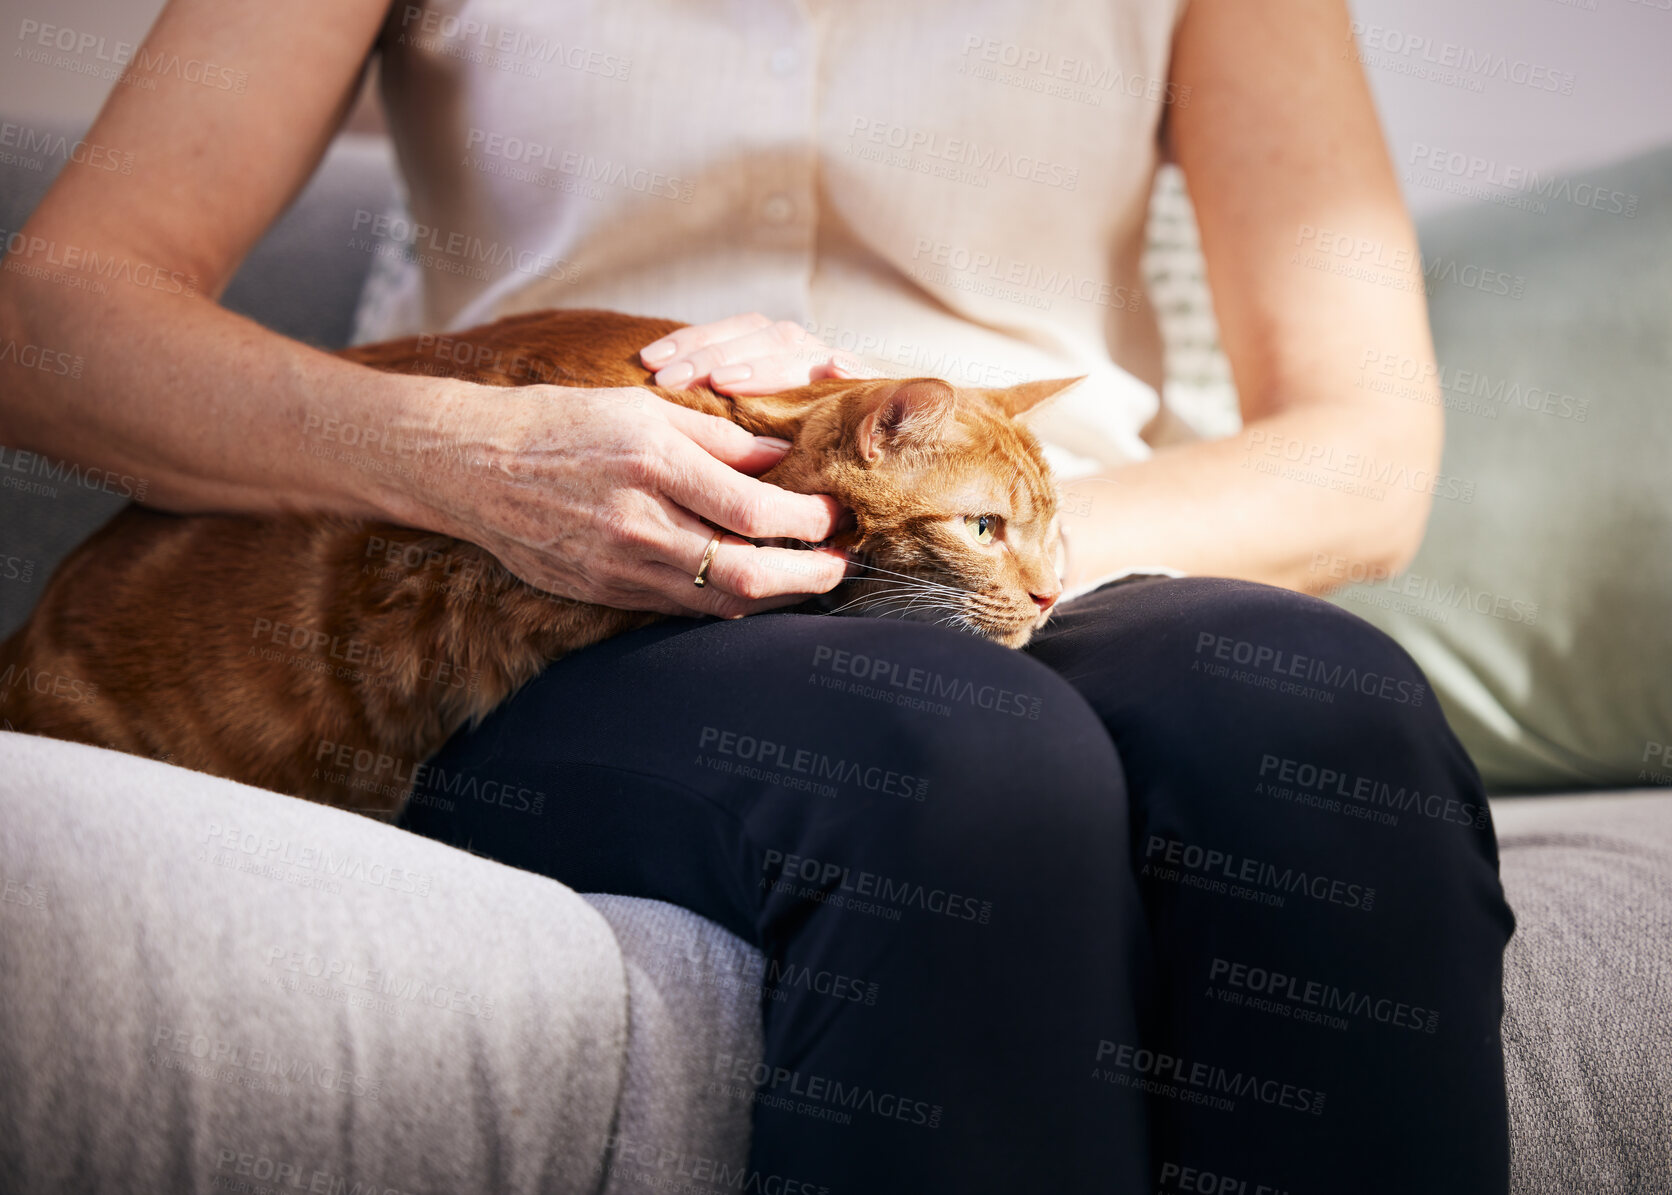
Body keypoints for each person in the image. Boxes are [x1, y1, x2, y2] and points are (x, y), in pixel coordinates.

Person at [0, 0, 1513, 1191]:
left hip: (1060, 536)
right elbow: (51, 325)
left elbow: (1364, 454)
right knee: (959, 752)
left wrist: (943, 535)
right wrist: (476, 458)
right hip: (554, 588)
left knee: (1327, 725)